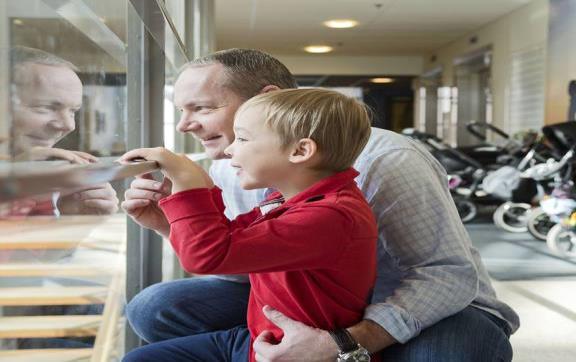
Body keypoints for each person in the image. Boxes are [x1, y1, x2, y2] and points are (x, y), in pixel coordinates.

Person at [123, 48, 519, 361]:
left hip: (424, 306)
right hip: (311, 299)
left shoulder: (386, 160)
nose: (183, 126)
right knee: (154, 308)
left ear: (271, 102)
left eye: (203, 108)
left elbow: (446, 276)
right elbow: (242, 262)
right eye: (181, 111)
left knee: (444, 355)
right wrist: (168, 223)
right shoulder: (233, 165)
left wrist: (342, 342)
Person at [121, 88, 378, 361]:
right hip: (259, 339)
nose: (230, 149)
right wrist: (169, 221)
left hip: (295, 352)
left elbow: (207, 256)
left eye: (242, 138)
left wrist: (188, 183)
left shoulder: (331, 216)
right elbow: (231, 239)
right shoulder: (288, 199)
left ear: (301, 150)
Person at [6, 46, 118, 216]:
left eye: (73, 111)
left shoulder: (51, 181)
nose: (68, 125)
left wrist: (75, 220)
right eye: (45, 107)